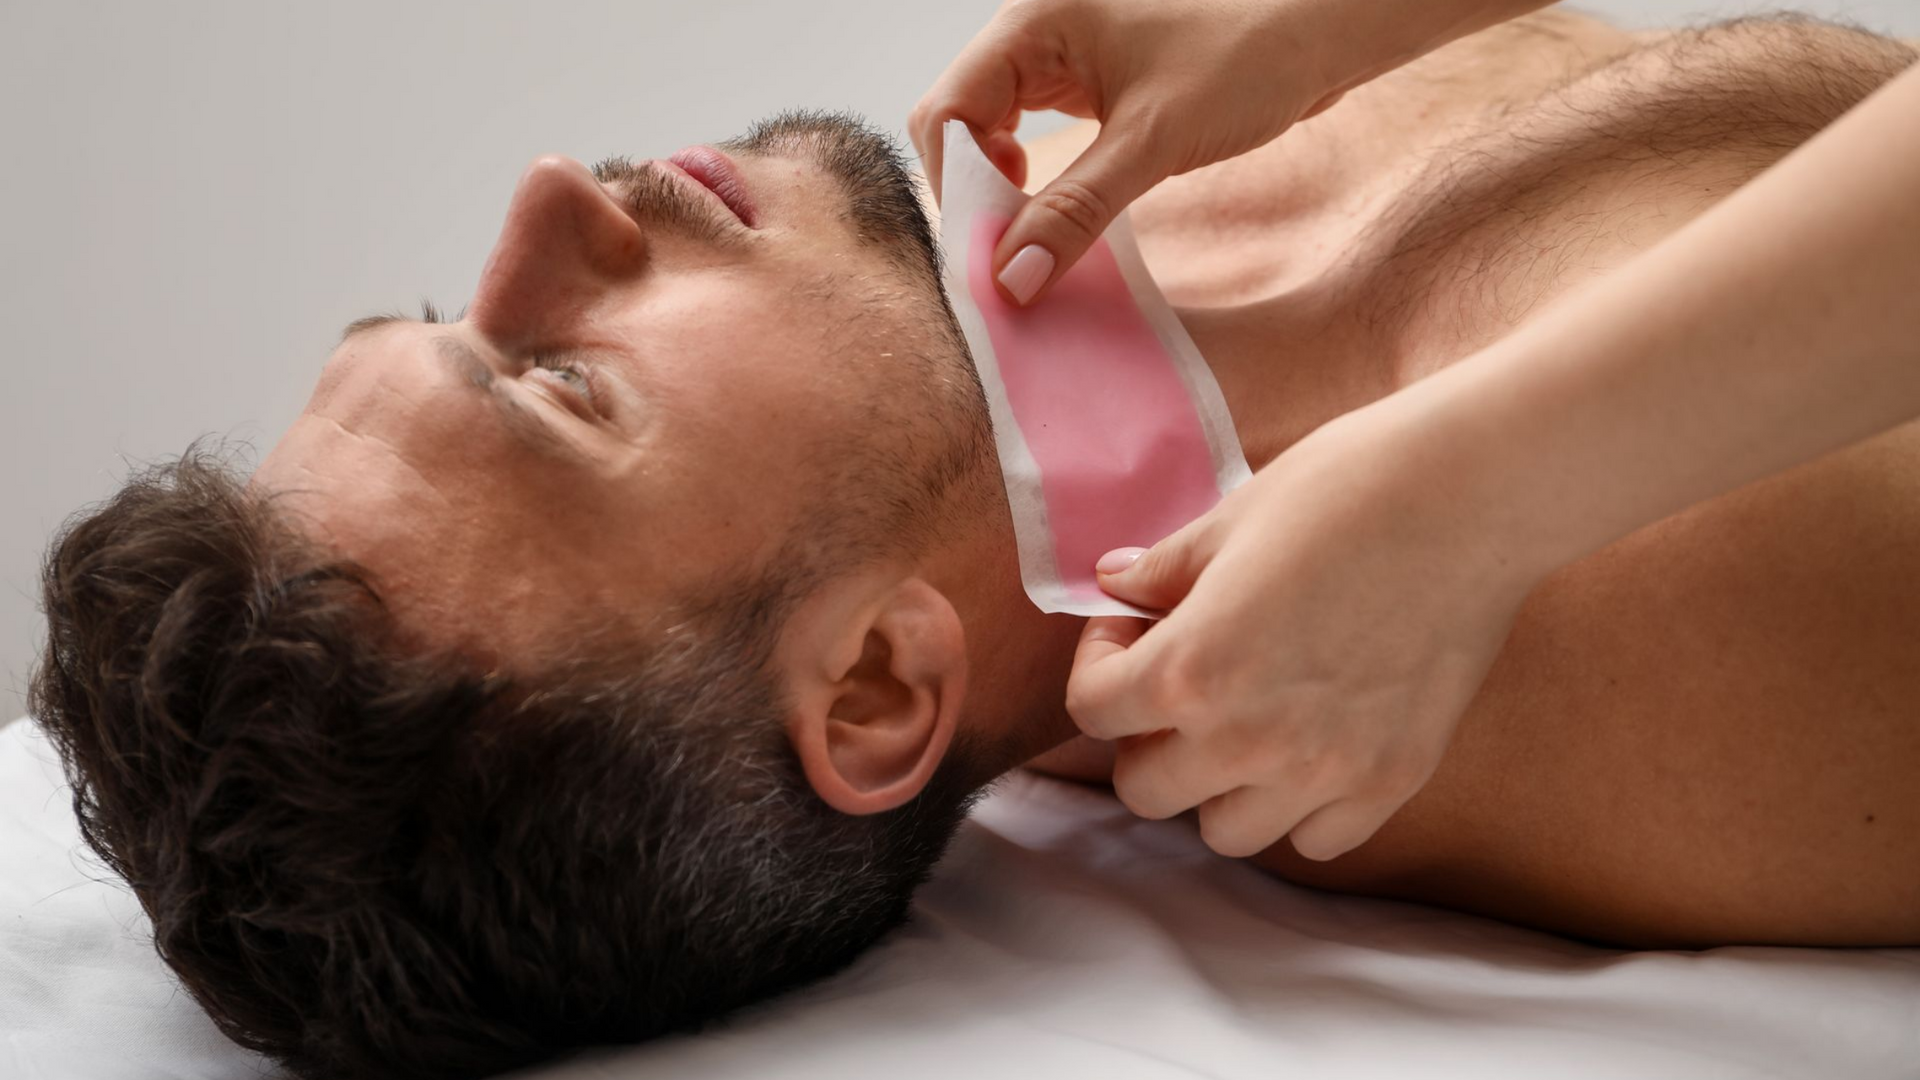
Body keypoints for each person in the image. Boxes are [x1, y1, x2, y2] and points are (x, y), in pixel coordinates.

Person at [24, 6, 1918, 1080]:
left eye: (455, 307)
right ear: (870, 685)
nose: (550, 205)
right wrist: (1495, 489)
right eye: (563, 386)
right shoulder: (1680, 622)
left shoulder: (1102, 199)